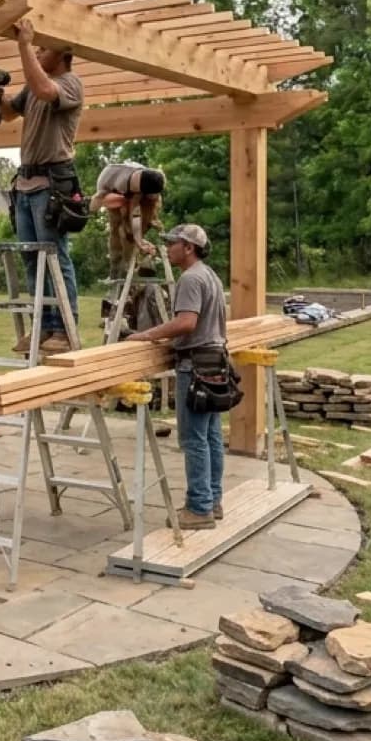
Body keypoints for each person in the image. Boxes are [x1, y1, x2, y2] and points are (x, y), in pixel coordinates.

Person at [124, 223, 229, 529]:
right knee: (210, 436)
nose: (168, 248)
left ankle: (198, 510)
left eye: (173, 243)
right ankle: (212, 501)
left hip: (195, 365)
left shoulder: (190, 279)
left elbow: (186, 323)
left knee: (194, 439)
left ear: (189, 248)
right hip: (214, 362)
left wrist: (146, 336)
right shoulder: (209, 275)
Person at [0, 18, 83, 352]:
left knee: (54, 256)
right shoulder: (32, 86)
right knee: (32, 258)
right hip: (26, 183)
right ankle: (42, 327)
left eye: (44, 48)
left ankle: (65, 328)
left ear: (61, 53)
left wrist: (23, 44)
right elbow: (7, 115)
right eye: (37, 47)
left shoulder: (70, 83)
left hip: (51, 184)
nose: (39, 51)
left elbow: (46, 90)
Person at [94, 161, 166, 279]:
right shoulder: (108, 183)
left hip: (136, 191)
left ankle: (136, 263)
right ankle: (117, 269)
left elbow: (136, 213)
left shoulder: (146, 181)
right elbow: (98, 202)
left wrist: (138, 239)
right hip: (114, 196)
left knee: (131, 235)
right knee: (118, 232)